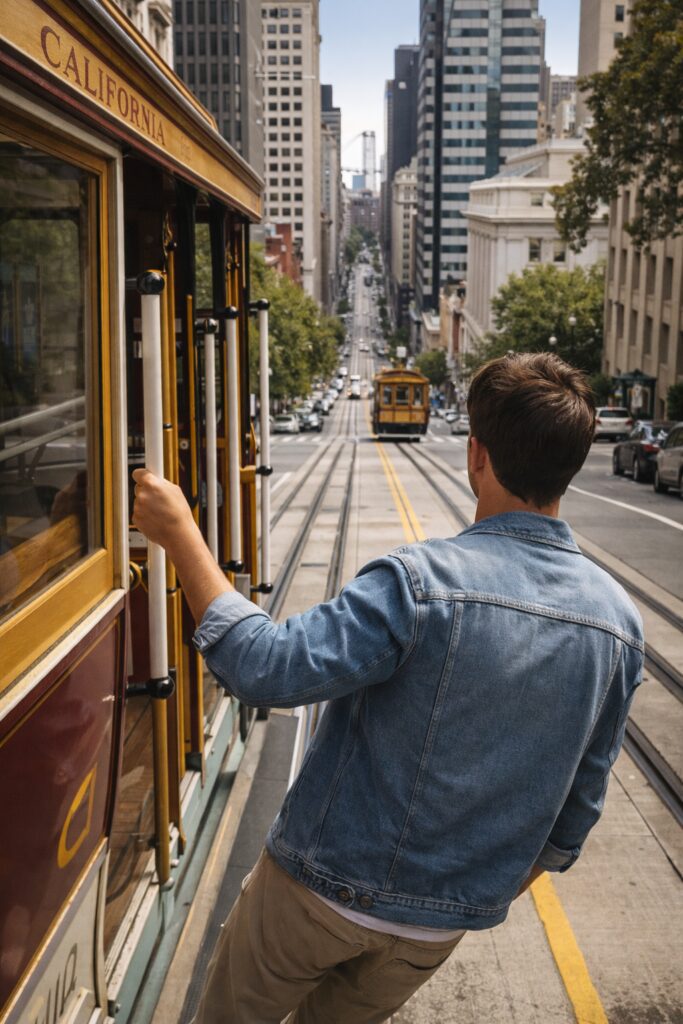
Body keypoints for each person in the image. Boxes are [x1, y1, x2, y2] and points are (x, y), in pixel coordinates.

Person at [132, 353, 644, 1024]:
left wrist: (179, 535)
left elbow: (266, 667)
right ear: (571, 465)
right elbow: (571, 822)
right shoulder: (619, 624)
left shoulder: (419, 583)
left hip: (316, 894)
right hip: (434, 932)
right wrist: (462, 895)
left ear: (476, 454)